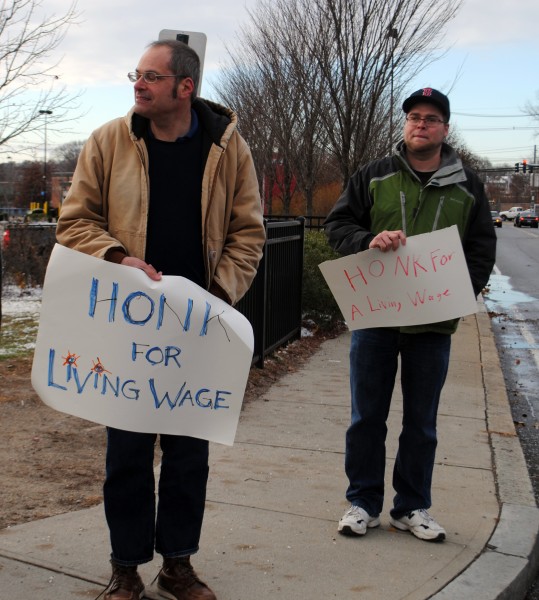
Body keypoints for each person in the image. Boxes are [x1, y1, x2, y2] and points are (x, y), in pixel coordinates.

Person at [56, 40, 265, 600]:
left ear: (185, 87)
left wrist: (217, 295)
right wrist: (120, 261)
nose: (138, 84)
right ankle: (125, 568)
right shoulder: (108, 141)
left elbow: (249, 232)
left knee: (187, 456)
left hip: (197, 329)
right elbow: (73, 223)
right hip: (128, 329)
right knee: (125, 453)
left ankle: (178, 566)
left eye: (150, 76)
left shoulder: (228, 148)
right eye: (136, 74)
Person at [324, 88, 496, 543]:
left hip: (433, 326)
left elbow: (481, 250)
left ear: (445, 129)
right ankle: (362, 503)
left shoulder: (468, 185)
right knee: (367, 419)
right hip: (377, 319)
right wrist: (367, 240)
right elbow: (337, 225)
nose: (421, 124)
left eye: (431, 119)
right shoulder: (374, 175)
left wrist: (462, 292)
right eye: (414, 117)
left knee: (421, 422)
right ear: (405, 125)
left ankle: (411, 507)